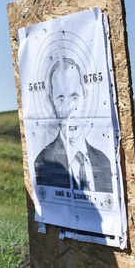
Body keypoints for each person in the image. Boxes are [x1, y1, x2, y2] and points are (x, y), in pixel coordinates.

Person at [34, 57, 113, 192]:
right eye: (61, 99)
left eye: (74, 97)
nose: (69, 109)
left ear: (85, 98)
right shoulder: (43, 162)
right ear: (52, 105)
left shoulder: (104, 161)